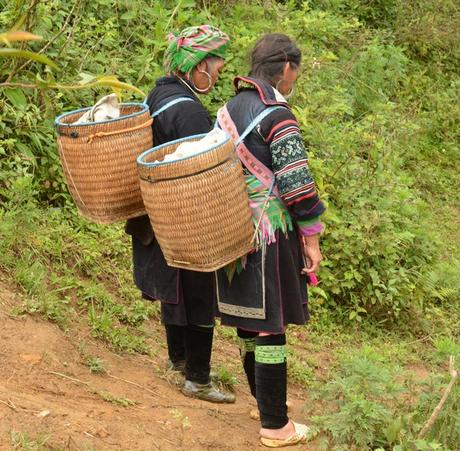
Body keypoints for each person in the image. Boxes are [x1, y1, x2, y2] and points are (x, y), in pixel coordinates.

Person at [216, 33, 325, 446]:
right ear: (285, 69)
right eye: (295, 72)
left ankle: (265, 405)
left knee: (249, 322)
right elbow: (298, 187)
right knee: (270, 327)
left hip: (231, 230)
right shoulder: (277, 114)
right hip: (269, 231)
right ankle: (275, 426)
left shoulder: (228, 109)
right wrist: (312, 238)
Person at [125, 25, 234, 403]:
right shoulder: (189, 113)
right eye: (215, 66)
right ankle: (198, 379)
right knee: (200, 293)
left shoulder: (160, 93)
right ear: (199, 66)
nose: (217, 73)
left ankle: (180, 361)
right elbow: (202, 171)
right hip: (184, 217)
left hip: (155, 214)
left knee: (177, 293)